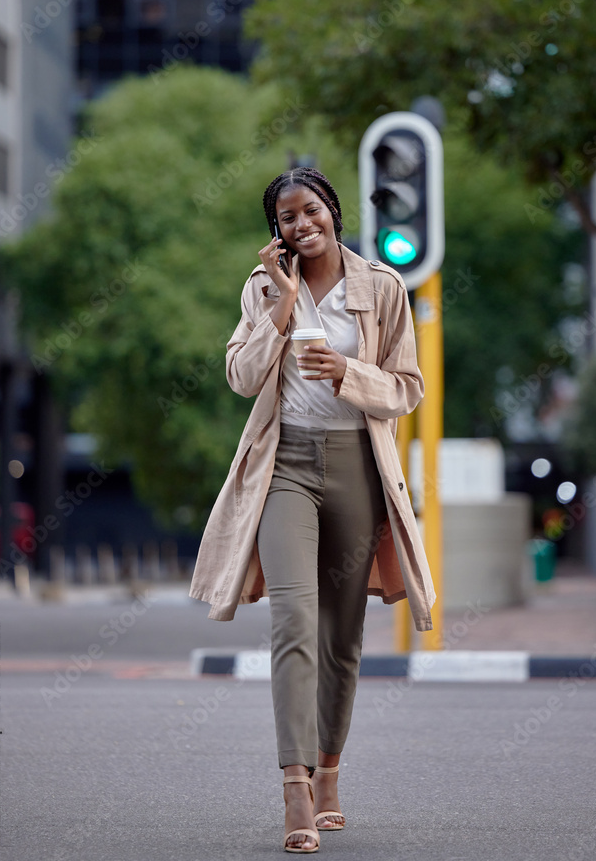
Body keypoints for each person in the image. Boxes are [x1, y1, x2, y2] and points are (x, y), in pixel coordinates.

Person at [189, 166, 436, 853]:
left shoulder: (381, 287)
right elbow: (241, 378)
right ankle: (295, 787)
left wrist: (348, 374)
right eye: (287, 217)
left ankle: (330, 772)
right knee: (293, 619)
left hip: (357, 467)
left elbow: (407, 389)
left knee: (343, 637)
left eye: (312, 209)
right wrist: (279, 311)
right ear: (277, 231)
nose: (303, 224)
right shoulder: (265, 288)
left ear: (332, 210)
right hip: (286, 467)